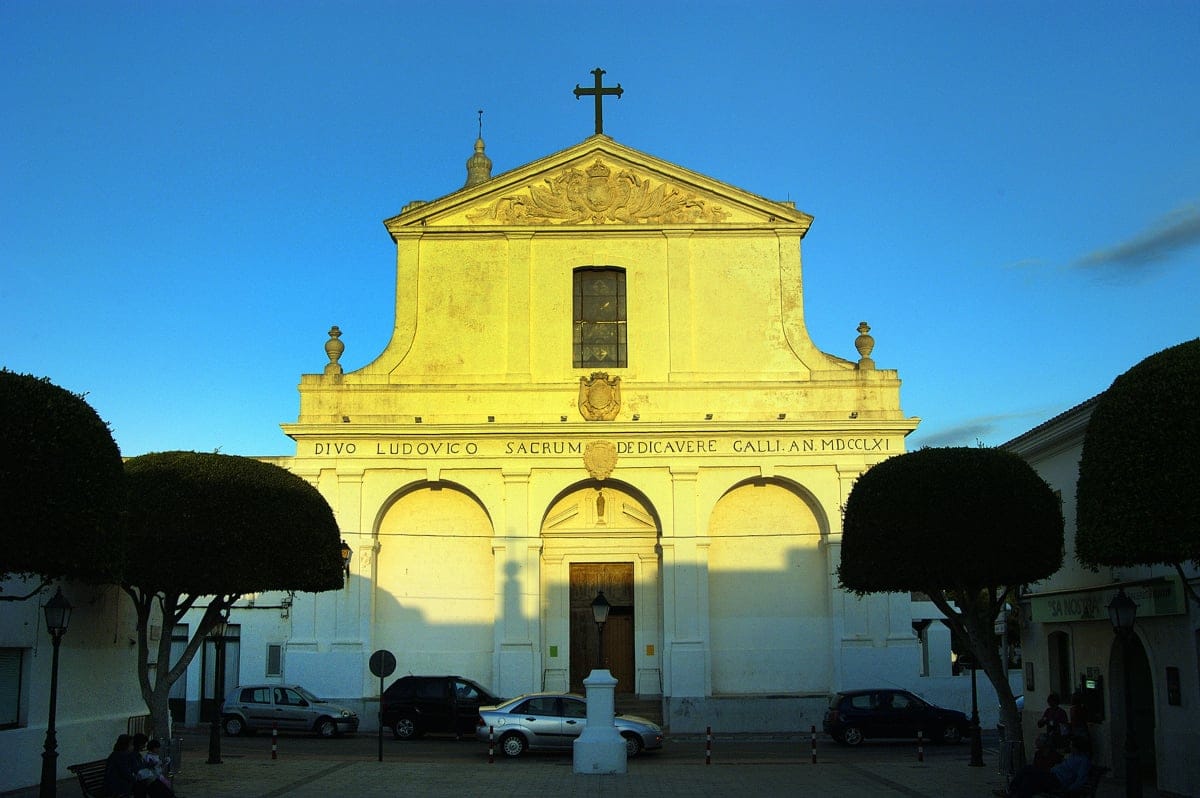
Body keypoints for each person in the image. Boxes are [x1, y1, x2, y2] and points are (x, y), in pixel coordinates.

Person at [995, 736, 1091, 798]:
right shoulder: (1073, 756)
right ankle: (1013, 793)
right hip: (1052, 775)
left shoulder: (1083, 761)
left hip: (1057, 780)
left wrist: (1069, 790)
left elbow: (1081, 778)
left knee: (1028, 769)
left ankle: (1011, 791)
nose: (1070, 747)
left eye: (1072, 745)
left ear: (1077, 747)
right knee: (1028, 779)